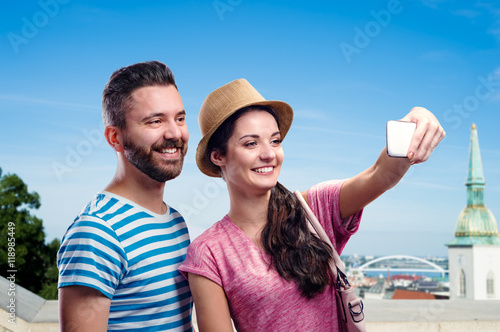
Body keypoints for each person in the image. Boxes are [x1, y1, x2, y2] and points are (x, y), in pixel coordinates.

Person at [179, 78, 445, 331]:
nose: (269, 154)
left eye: (275, 140)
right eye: (251, 143)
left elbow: (380, 175)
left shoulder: (315, 210)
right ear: (218, 156)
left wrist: (416, 120)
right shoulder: (208, 253)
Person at [57, 61, 193, 331]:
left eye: (179, 118)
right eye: (155, 121)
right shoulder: (96, 231)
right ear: (115, 138)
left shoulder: (175, 220)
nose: (174, 133)